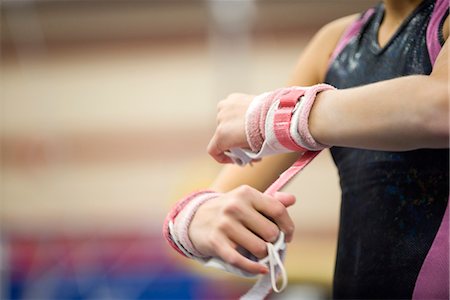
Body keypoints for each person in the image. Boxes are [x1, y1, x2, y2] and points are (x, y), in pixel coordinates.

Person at [164, 0, 449, 298]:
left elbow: (440, 107)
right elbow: (225, 192)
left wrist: (277, 114)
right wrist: (197, 219)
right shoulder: (335, 42)